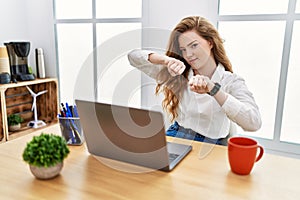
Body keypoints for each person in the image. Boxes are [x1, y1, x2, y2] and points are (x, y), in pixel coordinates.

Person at [127, 16, 261, 145]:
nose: (188, 55)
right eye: (183, 49)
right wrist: (165, 60)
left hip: (210, 143)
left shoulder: (231, 81)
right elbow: (133, 56)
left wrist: (213, 89)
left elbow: (253, 122)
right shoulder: (178, 73)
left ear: (210, 42)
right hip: (177, 133)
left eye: (194, 45)